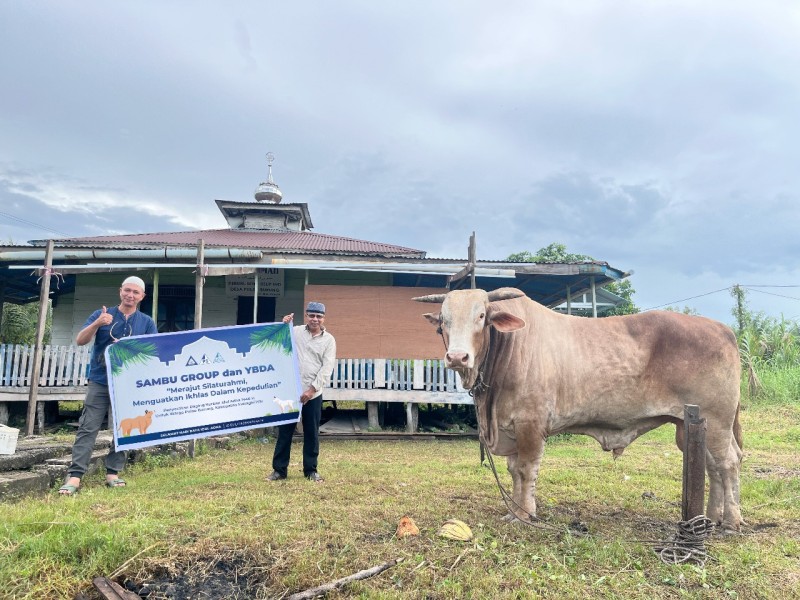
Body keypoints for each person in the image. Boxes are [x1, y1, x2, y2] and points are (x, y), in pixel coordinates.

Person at [58, 276, 158, 495]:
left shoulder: (147, 322)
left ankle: (113, 472)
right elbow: (80, 340)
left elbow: (152, 352)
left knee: (123, 429)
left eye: (135, 293)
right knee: (88, 427)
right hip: (100, 380)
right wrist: (97, 323)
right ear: (120, 291)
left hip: (128, 384)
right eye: (127, 290)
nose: (130, 295)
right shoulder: (101, 314)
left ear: (142, 297)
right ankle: (75, 476)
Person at [267, 301, 336, 483]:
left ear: (323, 318)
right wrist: (283, 325)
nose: (315, 319)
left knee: (312, 432)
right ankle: (279, 470)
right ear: (306, 316)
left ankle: (311, 470)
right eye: (312, 315)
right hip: (291, 391)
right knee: (285, 432)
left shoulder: (329, 340)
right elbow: (278, 342)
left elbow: (326, 368)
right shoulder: (295, 331)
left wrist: (312, 390)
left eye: (318, 316)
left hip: (313, 393)